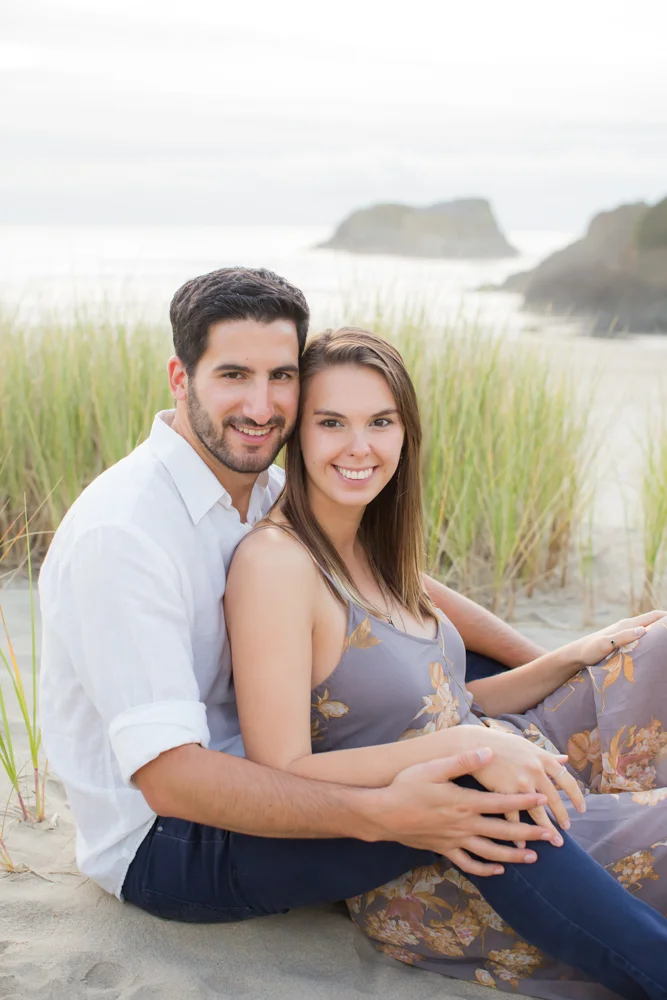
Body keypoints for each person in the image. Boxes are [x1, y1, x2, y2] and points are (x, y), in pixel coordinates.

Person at [37, 268, 662, 1000]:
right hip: (173, 841)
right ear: (181, 377)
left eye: (279, 377)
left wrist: (572, 662)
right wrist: (388, 811)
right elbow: (174, 782)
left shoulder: (260, 482)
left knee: (638, 654)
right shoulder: (128, 535)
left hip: (297, 767)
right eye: (232, 375)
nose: (260, 404)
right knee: (461, 782)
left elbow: (406, 595)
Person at [224, 325, 667, 999]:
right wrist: (465, 747)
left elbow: (442, 701)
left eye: (380, 422)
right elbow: (283, 771)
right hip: (444, 845)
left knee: (656, 644)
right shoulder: (276, 565)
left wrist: (571, 656)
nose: (359, 446)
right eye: (331, 422)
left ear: (405, 433)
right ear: (296, 436)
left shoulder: (371, 544)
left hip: (508, 756)